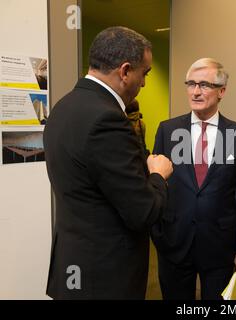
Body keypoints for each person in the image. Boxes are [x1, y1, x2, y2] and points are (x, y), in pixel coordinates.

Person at [43, 26, 173, 299]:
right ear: (125, 71)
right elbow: (144, 213)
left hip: (73, 266)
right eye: (144, 73)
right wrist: (158, 175)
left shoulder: (63, 107)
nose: (144, 83)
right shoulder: (107, 119)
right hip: (104, 277)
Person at [152, 58, 236, 300]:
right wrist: (157, 235)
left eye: (205, 85)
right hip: (174, 244)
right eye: (191, 84)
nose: (196, 91)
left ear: (222, 91)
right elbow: (155, 185)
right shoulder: (167, 130)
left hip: (219, 247)